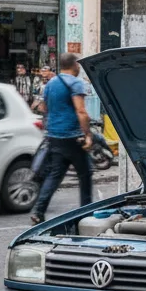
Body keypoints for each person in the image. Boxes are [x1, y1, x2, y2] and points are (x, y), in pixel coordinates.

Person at [31, 53, 92, 224]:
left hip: (54, 136)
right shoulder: (75, 83)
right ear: (75, 65)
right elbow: (81, 111)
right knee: (85, 174)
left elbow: (44, 107)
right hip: (72, 136)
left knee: (55, 175)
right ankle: (87, 211)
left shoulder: (51, 83)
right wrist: (87, 134)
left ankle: (38, 211)